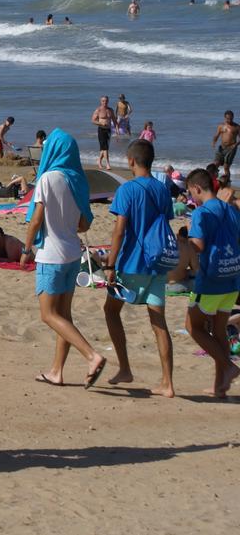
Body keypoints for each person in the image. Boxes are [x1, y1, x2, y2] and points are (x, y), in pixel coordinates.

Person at [25, 129, 107, 388]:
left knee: (48, 315)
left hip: (51, 254)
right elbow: (83, 224)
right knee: (64, 315)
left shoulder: (47, 178)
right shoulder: (78, 180)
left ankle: (92, 356)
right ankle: (56, 371)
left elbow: (37, 219)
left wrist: (26, 247)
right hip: (73, 253)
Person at [102, 139, 175, 397]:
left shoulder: (127, 189)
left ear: (131, 161)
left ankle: (124, 368)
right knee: (159, 324)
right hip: (157, 264)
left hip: (131, 263)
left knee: (111, 311)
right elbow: (164, 225)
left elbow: (119, 230)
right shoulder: (163, 190)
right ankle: (168, 382)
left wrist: (110, 264)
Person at [183, 169, 240, 397]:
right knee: (218, 330)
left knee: (193, 326)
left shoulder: (201, 213)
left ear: (197, 188)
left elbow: (198, 244)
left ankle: (228, 367)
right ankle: (220, 386)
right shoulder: (231, 209)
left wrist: (185, 240)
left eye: (190, 192)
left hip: (212, 279)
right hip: (233, 275)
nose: (191, 197)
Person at [212, 110, 238, 182]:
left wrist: (235, 145)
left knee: (226, 167)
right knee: (215, 164)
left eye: (231, 118)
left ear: (233, 117)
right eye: (227, 118)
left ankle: (227, 182)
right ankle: (214, 180)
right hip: (221, 147)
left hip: (231, 148)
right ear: (225, 118)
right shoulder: (221, 126)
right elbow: (217, 135)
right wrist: (214, 141)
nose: (229, 120)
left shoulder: (237, 127)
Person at [91, 96, 116, 169]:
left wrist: (117, 129)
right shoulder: (98, 110)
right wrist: (101, 123)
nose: (105, 102)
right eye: (103, 101)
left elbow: (114, 120)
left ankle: (99, 161)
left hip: (108, 130)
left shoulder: (110, 110)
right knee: (105, 148)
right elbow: (93, 120)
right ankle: (108, 164)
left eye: (106, 101)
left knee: (104, 148)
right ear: (101, 101)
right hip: (101, 130)